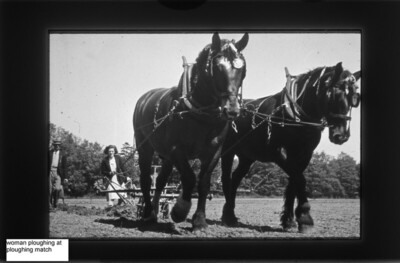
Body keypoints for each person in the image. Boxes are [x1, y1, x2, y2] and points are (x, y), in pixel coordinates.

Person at [48, 139, 66, 209]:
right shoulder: (49, 153)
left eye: (58, 145)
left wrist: (65, 177)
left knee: (57, 189)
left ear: (60, 146)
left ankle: (55, 204)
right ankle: (49, 205)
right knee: (49, 189)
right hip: (50, 171)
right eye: (55, 145)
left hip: (58, 173)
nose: (57, 146)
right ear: (53, 146)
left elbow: (65, 167)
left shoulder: (63, 155)